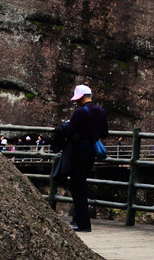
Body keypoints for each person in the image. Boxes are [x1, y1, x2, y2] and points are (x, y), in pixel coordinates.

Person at [63, 83, 108, 232]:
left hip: (79, 151)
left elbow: (69, 132)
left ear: (81, 97)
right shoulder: (101, 112)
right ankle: (78, 219)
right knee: (81, 184)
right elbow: (105, 132)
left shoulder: (79, 113)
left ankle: (83, 223)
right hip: (92, 152)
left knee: (78, 187)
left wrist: (67, 126)